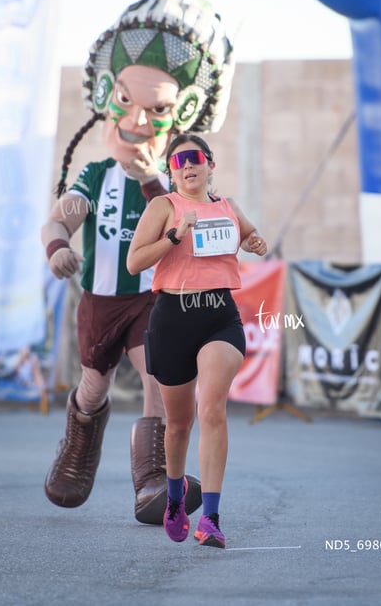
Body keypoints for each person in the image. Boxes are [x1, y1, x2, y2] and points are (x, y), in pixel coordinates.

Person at [41, 0, 235, 524]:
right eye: (125, 101)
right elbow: (61, 216)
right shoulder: (95, 176)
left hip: (153, 301)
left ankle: (151, 484)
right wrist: (58, 246)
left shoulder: (178, 185)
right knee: (94, 384)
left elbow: (193, 227)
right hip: (101, 301)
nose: (136, 122)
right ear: (107, 97)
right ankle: (78, 446)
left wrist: (155, 178)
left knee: (158, 379)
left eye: (157, 109)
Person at [126, 133, 268, 547]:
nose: (186, 165)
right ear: (172, 171)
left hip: (219, 317)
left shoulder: (228, 207)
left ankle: (211, 518)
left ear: (210, 164)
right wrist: (173, 236)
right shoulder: (163, 207)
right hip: (172, 317)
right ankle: (174, 498)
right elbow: (135, 261)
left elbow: (253, 238)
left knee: (212, 410)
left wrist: (256, 242)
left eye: (194, 158)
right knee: (180, 425)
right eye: (177, 161)